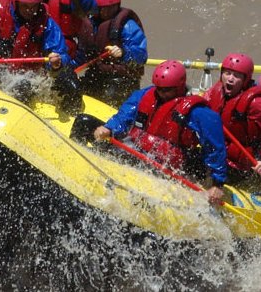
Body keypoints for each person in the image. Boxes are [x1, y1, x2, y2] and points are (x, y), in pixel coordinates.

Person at [93, 60, 227, 206]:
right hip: (137, 149)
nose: (161, 93)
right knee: (85, 122)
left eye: (167, 90)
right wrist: (109, 128)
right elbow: (125, 114)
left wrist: (217, 184)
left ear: (179, 87)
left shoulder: (199, 113)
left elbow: (215, 148)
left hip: (169, 164)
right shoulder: (146, 95)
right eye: (159, 89)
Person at [204, 53, 261, 180]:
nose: (230, 79)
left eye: (237, 76)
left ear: (246, 80)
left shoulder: (257, 103)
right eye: (227, 73)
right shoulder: (214, 92)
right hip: (218, 154)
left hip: (243, 165)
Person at [74, 0, 148, 106]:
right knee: (73, 90)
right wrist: (68, 69)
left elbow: (141, 56)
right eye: (105, 8)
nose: (109, 11)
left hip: (121, 79)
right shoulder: (88, 25)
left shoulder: (127, 26)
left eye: (113, 7)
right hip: (97, 74)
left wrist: (123, 52)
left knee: (110, 97)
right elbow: (82, 54)